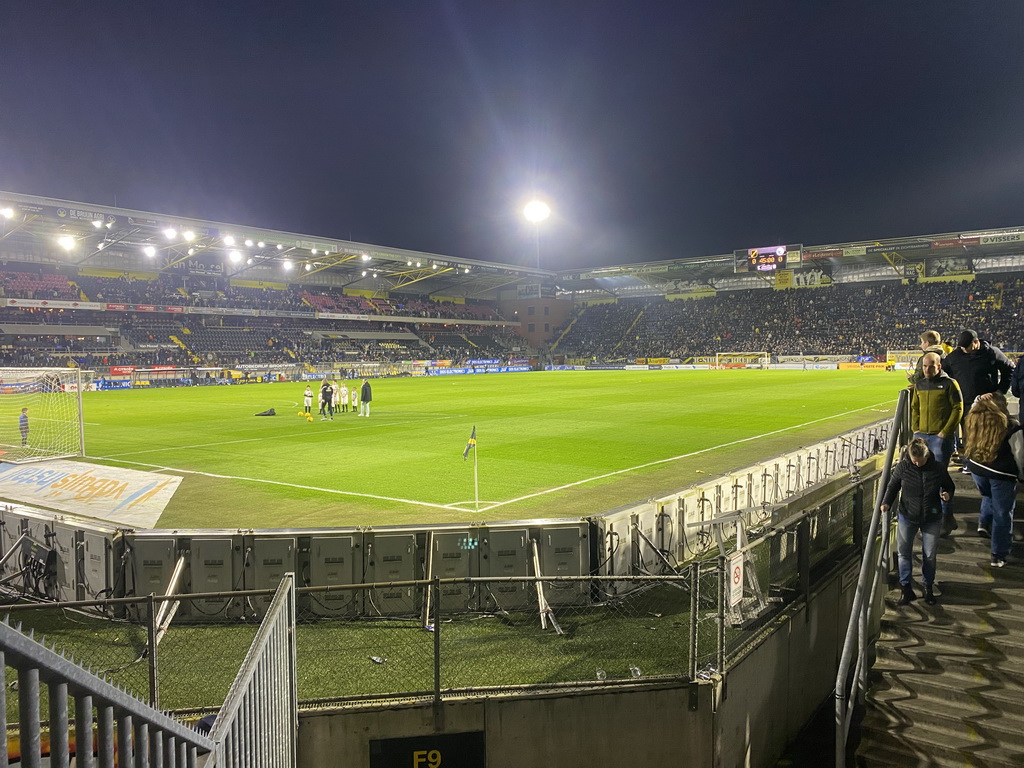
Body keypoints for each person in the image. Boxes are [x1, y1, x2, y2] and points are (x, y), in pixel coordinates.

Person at [880, 438, 955, 605]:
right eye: (914, 461)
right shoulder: (903, 467)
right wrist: (886, 503)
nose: (917, 464)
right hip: (907, 515)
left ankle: (928, 586)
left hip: (931, 517)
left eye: (920, 461)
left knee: (929, 555)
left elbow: (949, 485)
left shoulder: (938, 468)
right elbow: (893, 486)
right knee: (904, 552)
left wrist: (947, 495)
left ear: (926, 456)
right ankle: (906, 588)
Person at [964, 392, 1024, 568]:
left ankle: (983, 523)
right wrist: (1020, 475)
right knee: (1003, 513)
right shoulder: (1011, 426)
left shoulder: (975, 419)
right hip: (1002, 474)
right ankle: (998, 554)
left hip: (977, 468)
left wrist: (977, 398)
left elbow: (973, 407)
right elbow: (1019, 455)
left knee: (988, 495)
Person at [942, 329, 1013, 467]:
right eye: (961, 347)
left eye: (966, 347)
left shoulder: (991, 352)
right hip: (966, 403)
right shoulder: (955, 356)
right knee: (970, 436)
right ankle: (971, 465)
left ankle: (991, 464)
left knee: (990, 434)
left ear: (976, 342)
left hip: (988, 403)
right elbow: (942, 372)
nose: (964, 350)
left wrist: (999, 391)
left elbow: (1009, 369)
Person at [911, 352, 963, 536]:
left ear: (939, 366)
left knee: (940, 479)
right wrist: (915, 429)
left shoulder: (949, 384)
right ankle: (929, 518)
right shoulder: (920, 385)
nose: (927, 369)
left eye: (931, 366)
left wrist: (945, 432)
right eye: (924, 366)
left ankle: (947, 517)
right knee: (923, 480)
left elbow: (958, 408)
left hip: (940, 438)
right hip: (923, 436)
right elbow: (915, 407)